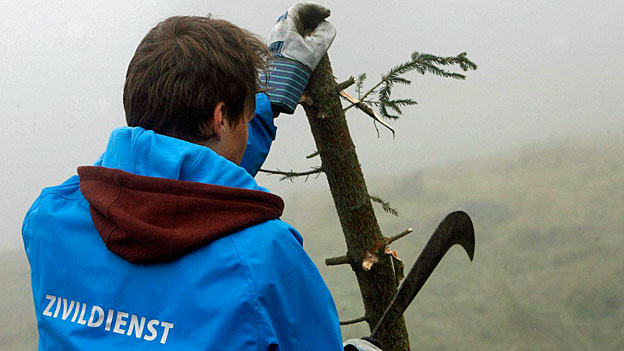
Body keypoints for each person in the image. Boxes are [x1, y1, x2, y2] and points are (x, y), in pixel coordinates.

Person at [22, 3, 381, 351]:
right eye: (247, 113)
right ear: (220, 118)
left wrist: (272, 95)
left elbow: (178, 172)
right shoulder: (265, 259)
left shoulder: (50, 220)